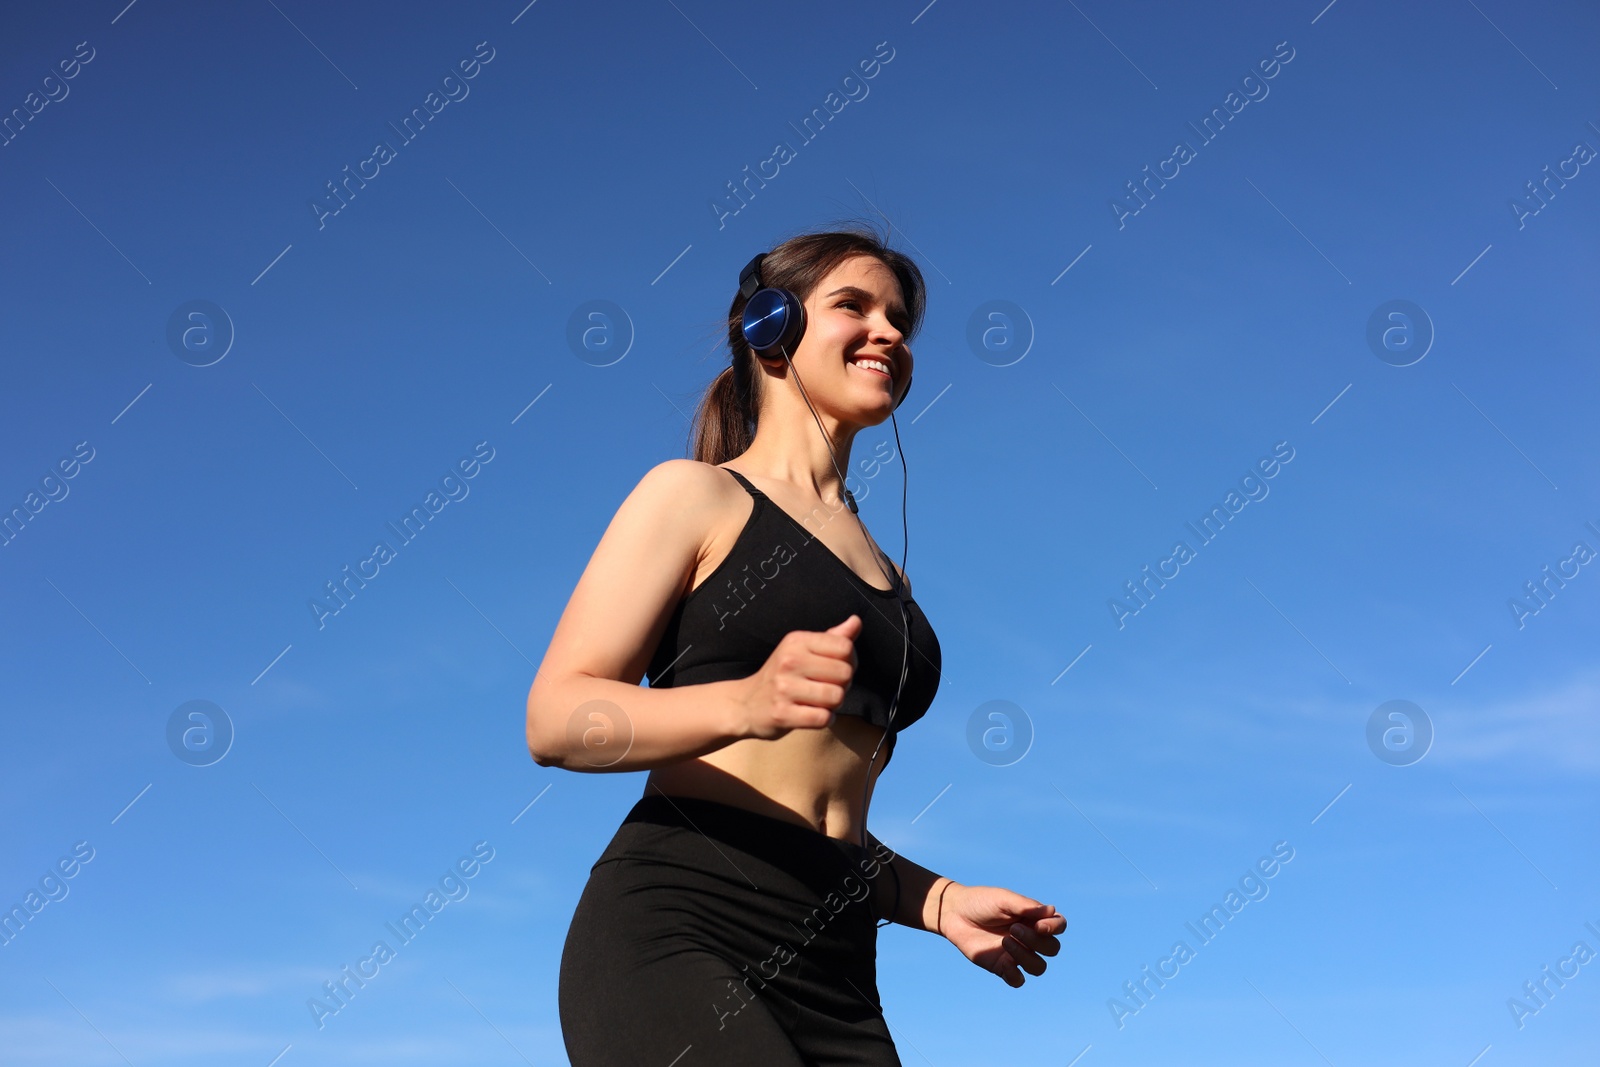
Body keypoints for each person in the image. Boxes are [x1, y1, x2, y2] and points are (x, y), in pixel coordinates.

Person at [526, 223, 1066, 1066]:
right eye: (854, 306)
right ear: (769, 327)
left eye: (899, 318)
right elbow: (556, 718)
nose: (888, 331)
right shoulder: (694, 496)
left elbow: (816, 815)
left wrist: (937, 899)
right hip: (681, 925)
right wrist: (744, 702)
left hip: (837, 962)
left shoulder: (891, 578)